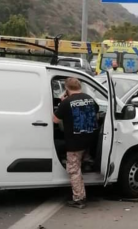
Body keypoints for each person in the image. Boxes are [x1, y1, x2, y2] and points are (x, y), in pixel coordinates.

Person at [53, 78, 99, 209]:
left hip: (74, 142)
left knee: (73, 170)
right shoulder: (89, 99)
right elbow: (96, 114)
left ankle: (79, 198)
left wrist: (62, 102)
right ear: (80, 87)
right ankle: (88, 165)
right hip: (90, 140)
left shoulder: (66, 102)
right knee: (81, 165)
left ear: (67, 89)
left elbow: (55, 120)